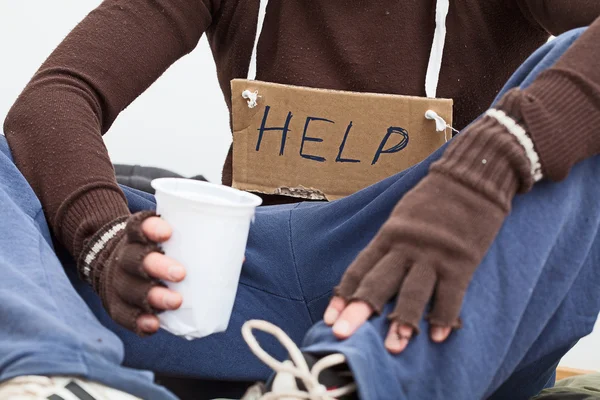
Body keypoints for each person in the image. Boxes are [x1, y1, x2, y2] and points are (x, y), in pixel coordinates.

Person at [1, 0, 600, 398]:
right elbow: (54, 100)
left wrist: (489, 163)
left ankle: (348, 380)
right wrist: (104, 243)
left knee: (576, 92)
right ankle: (58, 374)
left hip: (424, 302)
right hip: (233, 291)